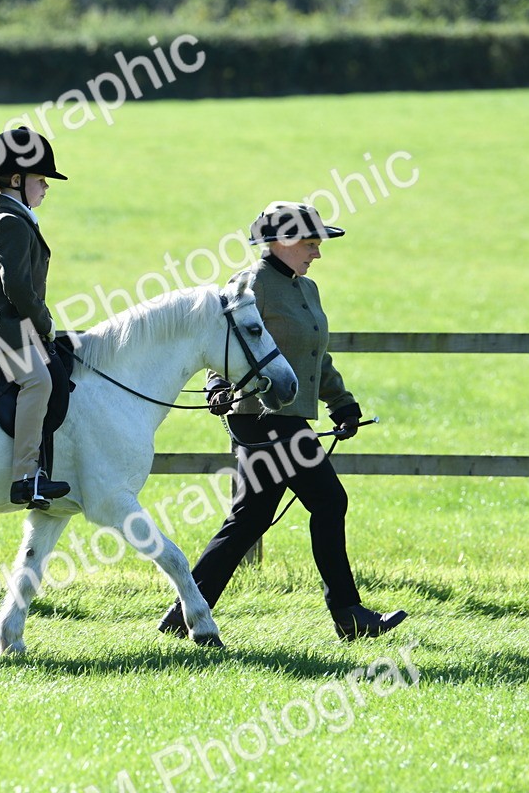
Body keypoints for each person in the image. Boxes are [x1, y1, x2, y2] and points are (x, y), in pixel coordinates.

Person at [158, 201, 407, 643]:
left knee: (248, 522)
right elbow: (228, 341)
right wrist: (217, 384)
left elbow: (315, 355)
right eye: (311, 244)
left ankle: (184, 614)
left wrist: (341, 402)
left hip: (289, 418)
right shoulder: (250, 285)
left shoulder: (306, 290)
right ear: (284, 242)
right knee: (329, 501)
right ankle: (348, 613)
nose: (317, 253)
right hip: (261, 418)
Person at [0, 127, 72, 510]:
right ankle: (25, 477)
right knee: (37, 381)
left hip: (11, 324)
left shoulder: (16, 215)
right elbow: (19, 288)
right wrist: (46, 324)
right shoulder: (9, 219)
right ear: (17, 180)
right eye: (41, 180)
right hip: (0, 328)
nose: (46, 188)